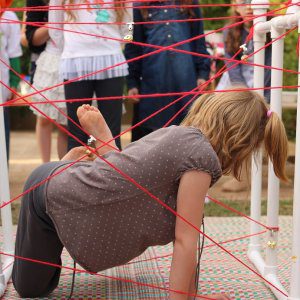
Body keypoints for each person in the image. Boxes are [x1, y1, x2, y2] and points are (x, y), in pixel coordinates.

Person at [12, 90, 287, 299]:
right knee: (32, 290)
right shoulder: (201, 157)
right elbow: (185, 240)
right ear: (240, 140)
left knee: (41, 283)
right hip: (46, 196)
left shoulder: (182, 139)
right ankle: (67, 169)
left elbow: (125, 178)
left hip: (67, 195)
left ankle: (69, 170)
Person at [124, 0, 211, 142]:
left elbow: (199, 41)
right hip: (153, 83)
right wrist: (132, 82)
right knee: (153, 135)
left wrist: (202, 72)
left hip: (185, 82)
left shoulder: (190, 3)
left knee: (187, 131)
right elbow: (133, 48)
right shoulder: (139, 6)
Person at [54, 0, 132, 150]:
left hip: (112, 62)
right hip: (75, 63)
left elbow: (129, 26)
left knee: (112, 132)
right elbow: (55, 28)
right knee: (77, 133)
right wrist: (73, 50)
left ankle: (112, 173)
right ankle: (75, 173)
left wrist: (120, 45)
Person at [216, 0, 271, 192]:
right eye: (242, 1)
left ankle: (246, 175)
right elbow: (232, 66)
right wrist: (242, 92)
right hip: (237, 84)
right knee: (227, 119)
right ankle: (232, 169)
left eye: (251, 1)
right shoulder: (231, 30)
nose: (247, 6)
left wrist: (258, 94)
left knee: (252, 123)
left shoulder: (271, 28)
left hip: (263, 84)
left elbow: (269, 69)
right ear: (234, 5)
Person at [28, 0, 68, 162]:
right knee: (46, 118)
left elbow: (128, 32)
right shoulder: (52, 3)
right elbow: (30, 39)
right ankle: (47, 169)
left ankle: (69, 171)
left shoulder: (126, 5)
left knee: (76, 125)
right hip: (59, 58)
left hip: (109, 64)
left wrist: (122, 41)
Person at [0, 0, 22, 160]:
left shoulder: (10, 17)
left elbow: (14, 52)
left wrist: (14, 83)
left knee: (2, 128)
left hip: (2, 82)